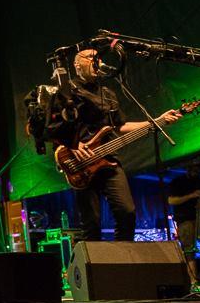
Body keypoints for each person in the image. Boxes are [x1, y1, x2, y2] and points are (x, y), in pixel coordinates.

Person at [45, 48, 180, 241]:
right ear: (77, 65)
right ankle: (92, 260)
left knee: (127, 211)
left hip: (108, 159)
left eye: (98, 58)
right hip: (80, 163)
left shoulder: (107, 94)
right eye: (91, 57)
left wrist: (157, 121)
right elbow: (50, 128)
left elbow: (119, 126)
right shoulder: (66, 92)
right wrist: (73, 144)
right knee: (92, 223)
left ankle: (123, 255)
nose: (97, 61)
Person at [168, 163, 200, 280]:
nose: (197, 171)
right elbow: (171, 200)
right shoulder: (178, 182)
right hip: (186, 219)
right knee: (189, 250)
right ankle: (192, 280)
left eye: (198, 169)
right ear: (188, 168)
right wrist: (191, 196)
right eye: (194, 169)